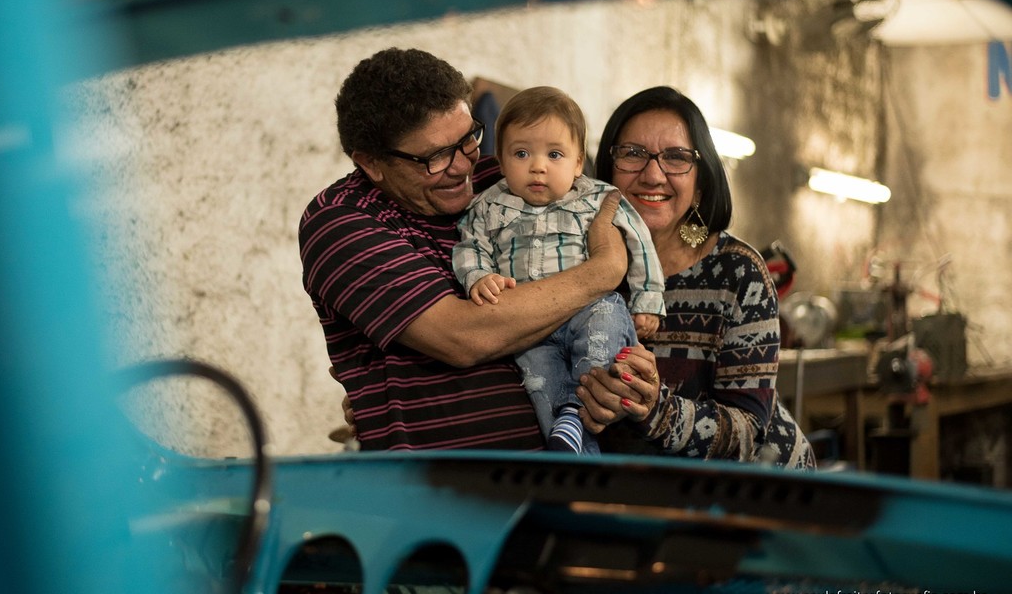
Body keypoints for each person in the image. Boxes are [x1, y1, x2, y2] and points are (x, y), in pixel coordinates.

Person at [298, 48, 640, 451]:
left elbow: (602, 212)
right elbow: (462, 336)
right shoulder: (342, 221)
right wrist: (602, 273)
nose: (463, 166)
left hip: (563, 471)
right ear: (371, 163)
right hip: (440, 489)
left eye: (468, 139)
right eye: (436, 156)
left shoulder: (503, 180)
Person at [576, 86, 815, 468]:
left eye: (676, 157)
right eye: (633, 154)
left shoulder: (738, 273)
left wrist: (655, 410)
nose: (653, 175)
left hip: (758, 490)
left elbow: (749, 431)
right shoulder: (583, 264)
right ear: (606, 172)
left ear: (701, 184)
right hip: (643, 487)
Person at [452, 86, 665, 454]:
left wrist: (647, 298)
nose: (538, 166)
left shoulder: (598, 198)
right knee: (538, 380)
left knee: (605, 342)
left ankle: (576, 414)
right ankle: (576, 448)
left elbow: (639, 241)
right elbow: (470, 245)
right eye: (521, 153)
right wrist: (479, 276)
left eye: (554, 154)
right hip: (528, 326)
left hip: (588, 309)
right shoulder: (487, 206)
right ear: (500, 160)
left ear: (578, 162)